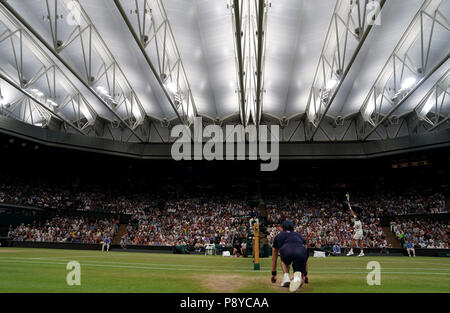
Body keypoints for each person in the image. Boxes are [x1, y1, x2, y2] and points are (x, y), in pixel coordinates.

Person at [270, 220, 309, 293]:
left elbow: (274, 256)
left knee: (284, 260)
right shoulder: (299, 235)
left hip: (286, 250)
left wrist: (273, 273)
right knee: (300, 264)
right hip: (301, 250)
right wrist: (305, 275)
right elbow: (306, 258)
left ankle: (286, 277)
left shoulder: (279, 235)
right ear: (293, 228)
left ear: (282, 228)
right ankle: (299, 277)